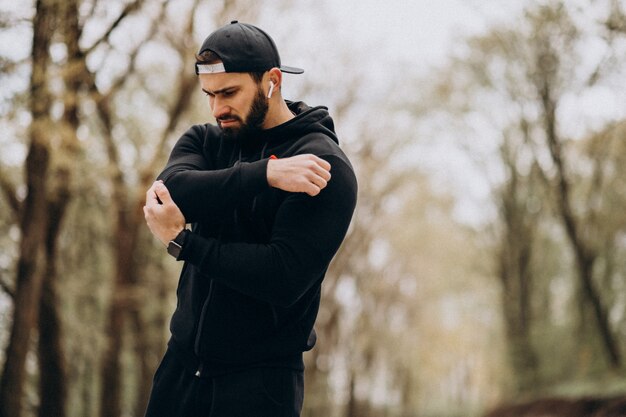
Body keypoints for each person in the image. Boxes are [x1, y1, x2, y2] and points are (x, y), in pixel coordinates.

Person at [142, 20, 357, 417]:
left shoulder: (323, 164)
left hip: (259, 387)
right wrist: (266, 174)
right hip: (179, 371)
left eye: (229, 93)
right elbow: (169, 191)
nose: (217, 108)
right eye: (209, 94)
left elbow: (281, 278)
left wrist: (185, 243)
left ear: (272, 81)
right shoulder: (205, 141)